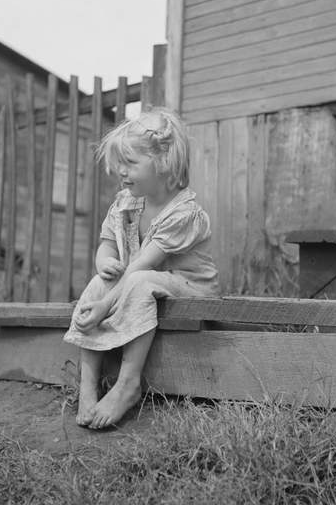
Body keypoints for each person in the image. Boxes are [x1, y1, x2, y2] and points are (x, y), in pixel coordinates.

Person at [63, 108, 219, 430]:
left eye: (131, 163)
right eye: (119, 164)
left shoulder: (183, 213)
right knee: (97, 284)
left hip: (189, 290)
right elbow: (107, 243)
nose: (121, 171)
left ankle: (127, 385)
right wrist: (104, 262)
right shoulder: (126, 202)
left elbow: (144, 266)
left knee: (139, 280)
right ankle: (88, 385)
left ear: (163, 163)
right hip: (138, 282)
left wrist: (106, 306)